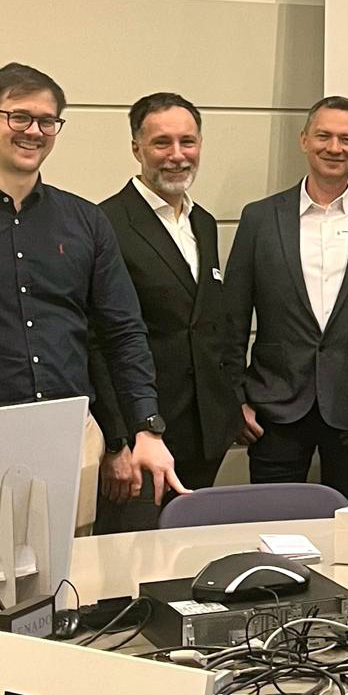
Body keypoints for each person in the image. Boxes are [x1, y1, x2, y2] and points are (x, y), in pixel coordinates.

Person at [0, 63, 182, 535]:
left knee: (72, 575)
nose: (34, 131)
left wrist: (146, 428)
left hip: (69, 434)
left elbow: (123, 332)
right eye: (19, 116)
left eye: (47, 121)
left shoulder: (86, 222)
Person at [222, 96, 348, 504]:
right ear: (304, 139)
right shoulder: (259, 219)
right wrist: (235, 400)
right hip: (274, 410)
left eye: (346, 139)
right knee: (272, 523)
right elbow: (232, 319)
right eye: (323, 136)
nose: (334, 148)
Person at [89, 93, 239, 532]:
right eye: (161, 143)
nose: (177, 155)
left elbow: (212, 321)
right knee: (132, 559)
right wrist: (116, 441)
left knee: (188, 557)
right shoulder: (104, 224)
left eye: (187, 142)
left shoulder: (203, 222)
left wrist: (230, 404)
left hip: (204, 436)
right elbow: (97, 342)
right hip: (139, 439)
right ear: (136, 148)